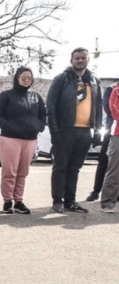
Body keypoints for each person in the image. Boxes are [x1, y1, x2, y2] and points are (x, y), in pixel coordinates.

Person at [47, 47, 102, 213]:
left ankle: (70, 201)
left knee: (75, 167)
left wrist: (98, 131)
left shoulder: (94, 80)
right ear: (71, 61)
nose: (80, 60)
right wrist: (54, 131)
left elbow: (98, 107)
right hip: (65, 130)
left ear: (88, 60)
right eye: (77, 58)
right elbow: (51, 105)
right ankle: (57, 201)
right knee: (60, 166)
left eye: (83, 58)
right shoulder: (61, 79)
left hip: (85, 131)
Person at [0, 67, 47, 214]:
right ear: (17, 78)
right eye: (23, 77)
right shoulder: (6, 95)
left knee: (23, 172)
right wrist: (9, 127)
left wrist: (39, 127)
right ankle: (7, 201)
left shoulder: (35, 96)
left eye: (29, 77)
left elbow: (43, 114)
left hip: (30, 139)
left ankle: (19, 201)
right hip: (10, 138)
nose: (26, 80)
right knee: (10, 172)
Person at [86, 82, 116, 202]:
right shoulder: (111, 88)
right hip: (112, 130)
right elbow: (109, 109)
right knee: (104, 160)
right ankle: (96, 191)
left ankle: (115, 193)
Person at [101, 84, 119, 212]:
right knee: (114, 170)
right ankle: (108, 203)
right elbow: (114, 111)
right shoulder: (115, 91)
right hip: (117, 135)